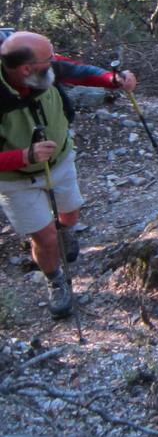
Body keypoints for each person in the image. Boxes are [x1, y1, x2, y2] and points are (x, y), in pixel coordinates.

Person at [0, 32, 137, 320]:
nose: (54, 62)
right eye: (48, 59)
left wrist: (111, 79)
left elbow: (74, 69)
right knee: (45, 238)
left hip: (59, 159)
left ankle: (66, 234)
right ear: (26, 69)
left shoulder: (42, 65)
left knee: (70, 215)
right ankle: (54, 278)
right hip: (15, 178)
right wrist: (24, 156)